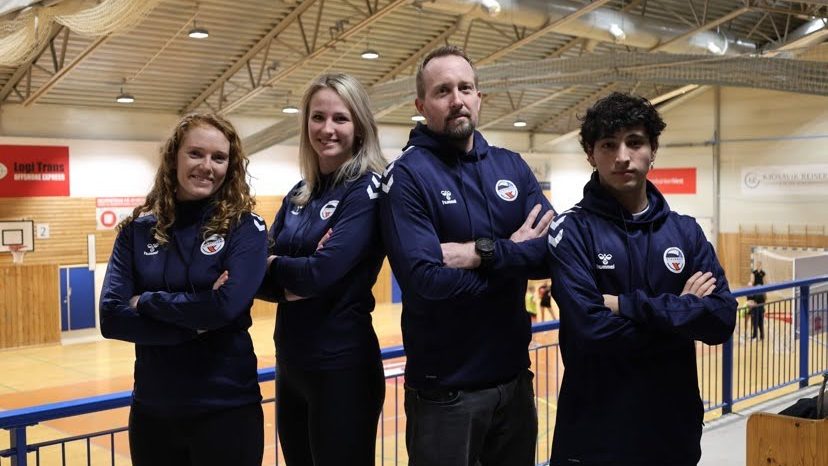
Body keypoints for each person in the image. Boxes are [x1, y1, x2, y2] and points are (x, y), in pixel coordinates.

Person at [379, 45, 555, 466]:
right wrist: (515, 256)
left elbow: (551, 255)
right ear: (421, 105)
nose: (456, 99)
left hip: (514, 381)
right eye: (442, 91)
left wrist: (483, 252)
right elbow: (426, 280)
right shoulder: (406, 176)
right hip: (446, 394)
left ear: (479, 97)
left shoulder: (511, 166)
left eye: (465, 88)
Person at [546, 92, 737, 466]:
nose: (622, 156)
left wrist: (626, 306)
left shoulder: (686, 232)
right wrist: (683, 313)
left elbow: (721, 321)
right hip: (595, 439)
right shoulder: (570, 231)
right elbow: (593, 334)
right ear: (590, 154)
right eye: (608, 145)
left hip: (672, 434)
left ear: (653, 149)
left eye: (634, 142)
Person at [100, 113, 267, 466]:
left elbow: (225, 307)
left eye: (218, 158)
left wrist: (145, 301)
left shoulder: (245, 228)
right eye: (195, 154)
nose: (206, 166)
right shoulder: (136, 231)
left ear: (230, 165)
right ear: (174, 157)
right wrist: (197, 323)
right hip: (153, 411)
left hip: (227, 409)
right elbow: (112, 317)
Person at [258, 73, 387, 466]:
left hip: (342, 369)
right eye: (317, 117)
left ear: (359, 126)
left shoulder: (366, 190)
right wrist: (293, 273)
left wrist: (275, 265)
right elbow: (252, 277)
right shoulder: (300, 193)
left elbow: (319, 274)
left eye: (340, 118)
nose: (327, 129)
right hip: (292, 365)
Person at [747, 261, 767, 339]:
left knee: (760, 320)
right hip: (755, 302)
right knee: (754, 320)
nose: (759, 266)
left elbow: (765, 283)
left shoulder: (763, 273)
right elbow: (752, 281)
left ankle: (762, 335)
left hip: (760, 300)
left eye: (760, 264)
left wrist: (764, 294)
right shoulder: (754, 273)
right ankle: (754, 335)